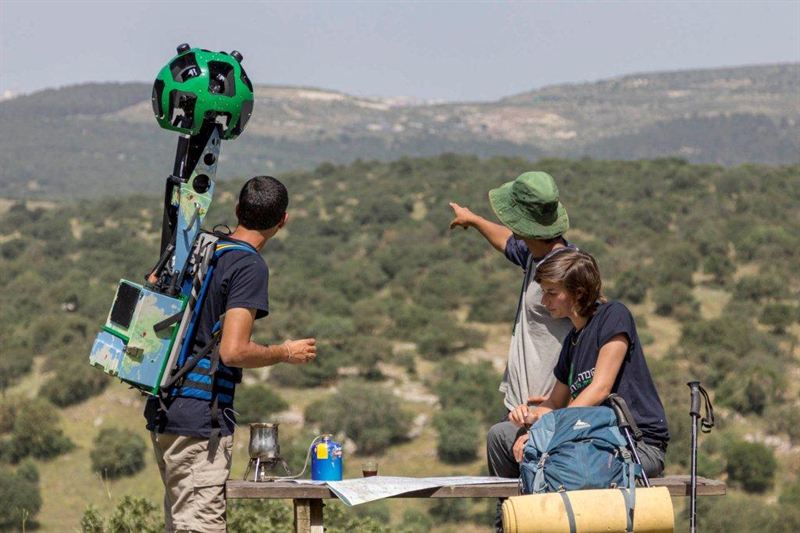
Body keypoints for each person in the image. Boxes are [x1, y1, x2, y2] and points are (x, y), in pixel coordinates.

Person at [144, 176, 318, 533]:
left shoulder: (201, 248)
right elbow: (234, 351)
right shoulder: (248, 266)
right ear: (282, 221)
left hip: (164, 408)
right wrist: (285, 352)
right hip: (199, 421)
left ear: (238, 210)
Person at [449, 171, 575, 531]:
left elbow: (591, 337)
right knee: (513, 508)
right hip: (520, 408)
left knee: (542, 506)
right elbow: (508, 243)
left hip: (547, 410)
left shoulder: (567, 271)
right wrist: (474, 220)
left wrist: (555, 409)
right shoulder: (538, 256)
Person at [510, 249, 669, 477]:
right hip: (595, 439)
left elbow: (600, 388)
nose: (544, 301)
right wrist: (531, 416)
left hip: (635, 443)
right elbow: (555, 402)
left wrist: (548, 431)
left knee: (555, 464)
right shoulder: (572, 341)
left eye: (552, 293)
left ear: (579, 292)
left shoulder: (613, 316)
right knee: (501, 437)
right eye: (543, 292)